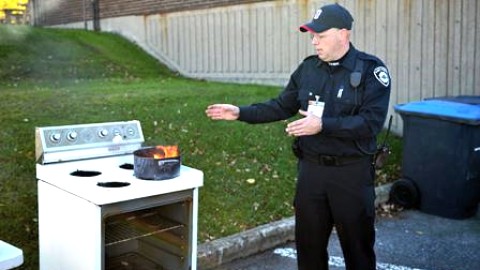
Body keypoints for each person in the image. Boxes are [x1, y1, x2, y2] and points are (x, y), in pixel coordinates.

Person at [205, 3, 391, 270]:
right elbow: (282, 105)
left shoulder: (371, 71)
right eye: (312, 35)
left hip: (351, 174)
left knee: (358, 251)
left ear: (343, 34)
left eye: (321, 36)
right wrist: (240, 112)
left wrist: (323, 125)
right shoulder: (308, 69)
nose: (314, 41)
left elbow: (370, 124)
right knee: (309, 249)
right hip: (311, 174)